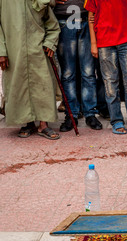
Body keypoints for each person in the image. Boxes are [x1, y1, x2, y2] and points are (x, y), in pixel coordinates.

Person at [86, 0, 127, 135]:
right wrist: (93, 43)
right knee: (110, 84)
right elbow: (90, 17)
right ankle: (116, 121)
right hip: (104, 41)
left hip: (126, 40)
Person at [0, 0, 61, 140]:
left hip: (38, 51)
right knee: (20, 86)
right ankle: (28, 123)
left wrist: (50, 43)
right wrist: (1, 51)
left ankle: (43, 124)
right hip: (14, 51)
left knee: (43, 87)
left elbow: (52, 25)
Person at [54, 0, 103, 132]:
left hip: (86, 19)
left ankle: (90, 113)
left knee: (88, 71)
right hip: (64, 19)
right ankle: (71, 114)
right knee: (68, 73)